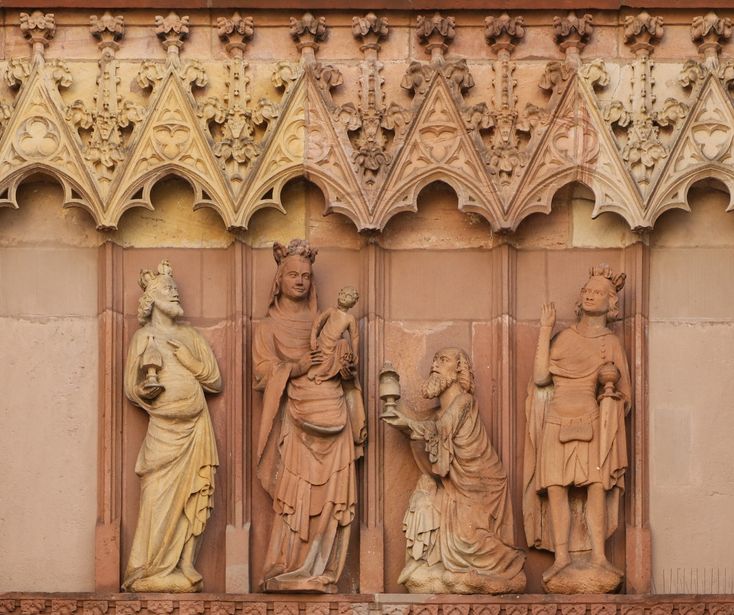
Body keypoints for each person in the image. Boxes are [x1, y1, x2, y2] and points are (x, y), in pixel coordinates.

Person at [252, 240, 367, 592]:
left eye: (305, 275)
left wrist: (346, 365)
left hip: (334, 418)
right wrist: (296, 367)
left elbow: (349, 369)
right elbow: (261, 374)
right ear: (279, 279)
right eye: (292, 275)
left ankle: (320, 567)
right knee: (296, 495)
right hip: (298, 423)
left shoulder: (330, 319)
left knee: (333, 496)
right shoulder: (268, 328)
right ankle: (289, 567)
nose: (300, 281)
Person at [382, 347, 526, 594]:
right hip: (456, 485)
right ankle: (438, 567)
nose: (434, 365)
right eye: (434, 360)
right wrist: (392, 396)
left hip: (481, 484)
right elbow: (421, 421)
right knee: (429, 500)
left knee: (470, 539)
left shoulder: (464, 402)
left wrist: (407, 423)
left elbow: (439, 428)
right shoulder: (439, 411)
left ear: (458, 370)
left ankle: (500, 570)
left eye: (443, 360)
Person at [523, 265, 630, 593]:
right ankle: (562, 557)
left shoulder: (610, 343)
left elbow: (624, 396)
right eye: (586, 290)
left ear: (610, 303)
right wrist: (545, 329)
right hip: (557, 419)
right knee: (557, 489)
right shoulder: (564, 338)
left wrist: (611, 395)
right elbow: (541, 377)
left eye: (597, 292)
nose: (588, 294)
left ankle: (598, 556)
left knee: (596, 487)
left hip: (591, 420)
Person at [122, 261, 222, 592]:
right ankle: (147, 569)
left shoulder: (190, 336)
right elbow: (130, 386)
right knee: (157, 495)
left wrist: (189, 362)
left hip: (195, 428)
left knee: (194, 494)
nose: (175, 293)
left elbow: (214, 381)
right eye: (167, 289)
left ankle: (183, 564)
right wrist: (145, 390)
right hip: (163, 430)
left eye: (175, 290)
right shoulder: (143, 337)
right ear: (151, 298)